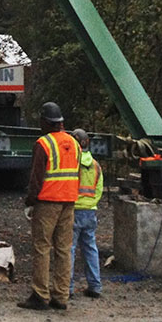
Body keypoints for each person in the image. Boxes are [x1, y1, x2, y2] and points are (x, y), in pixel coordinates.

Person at [18, 101, 80, 311]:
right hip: (69, 202)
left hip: (47, 203)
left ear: (45, 122)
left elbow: (36, 177)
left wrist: (30, 201)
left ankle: (40, 294)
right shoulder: (74, 143)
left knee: (42, 248)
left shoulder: (43, 144)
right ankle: (61, 296)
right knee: (63, 249)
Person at [69, 128, 104, 299]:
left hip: (74, 210)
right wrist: (91, 203)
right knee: (90, 248)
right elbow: (98, 189)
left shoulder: (72, 163)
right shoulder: (96, 165)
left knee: (69, 249)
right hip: (90, 211)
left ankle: (67, 288)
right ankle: (95, 286)